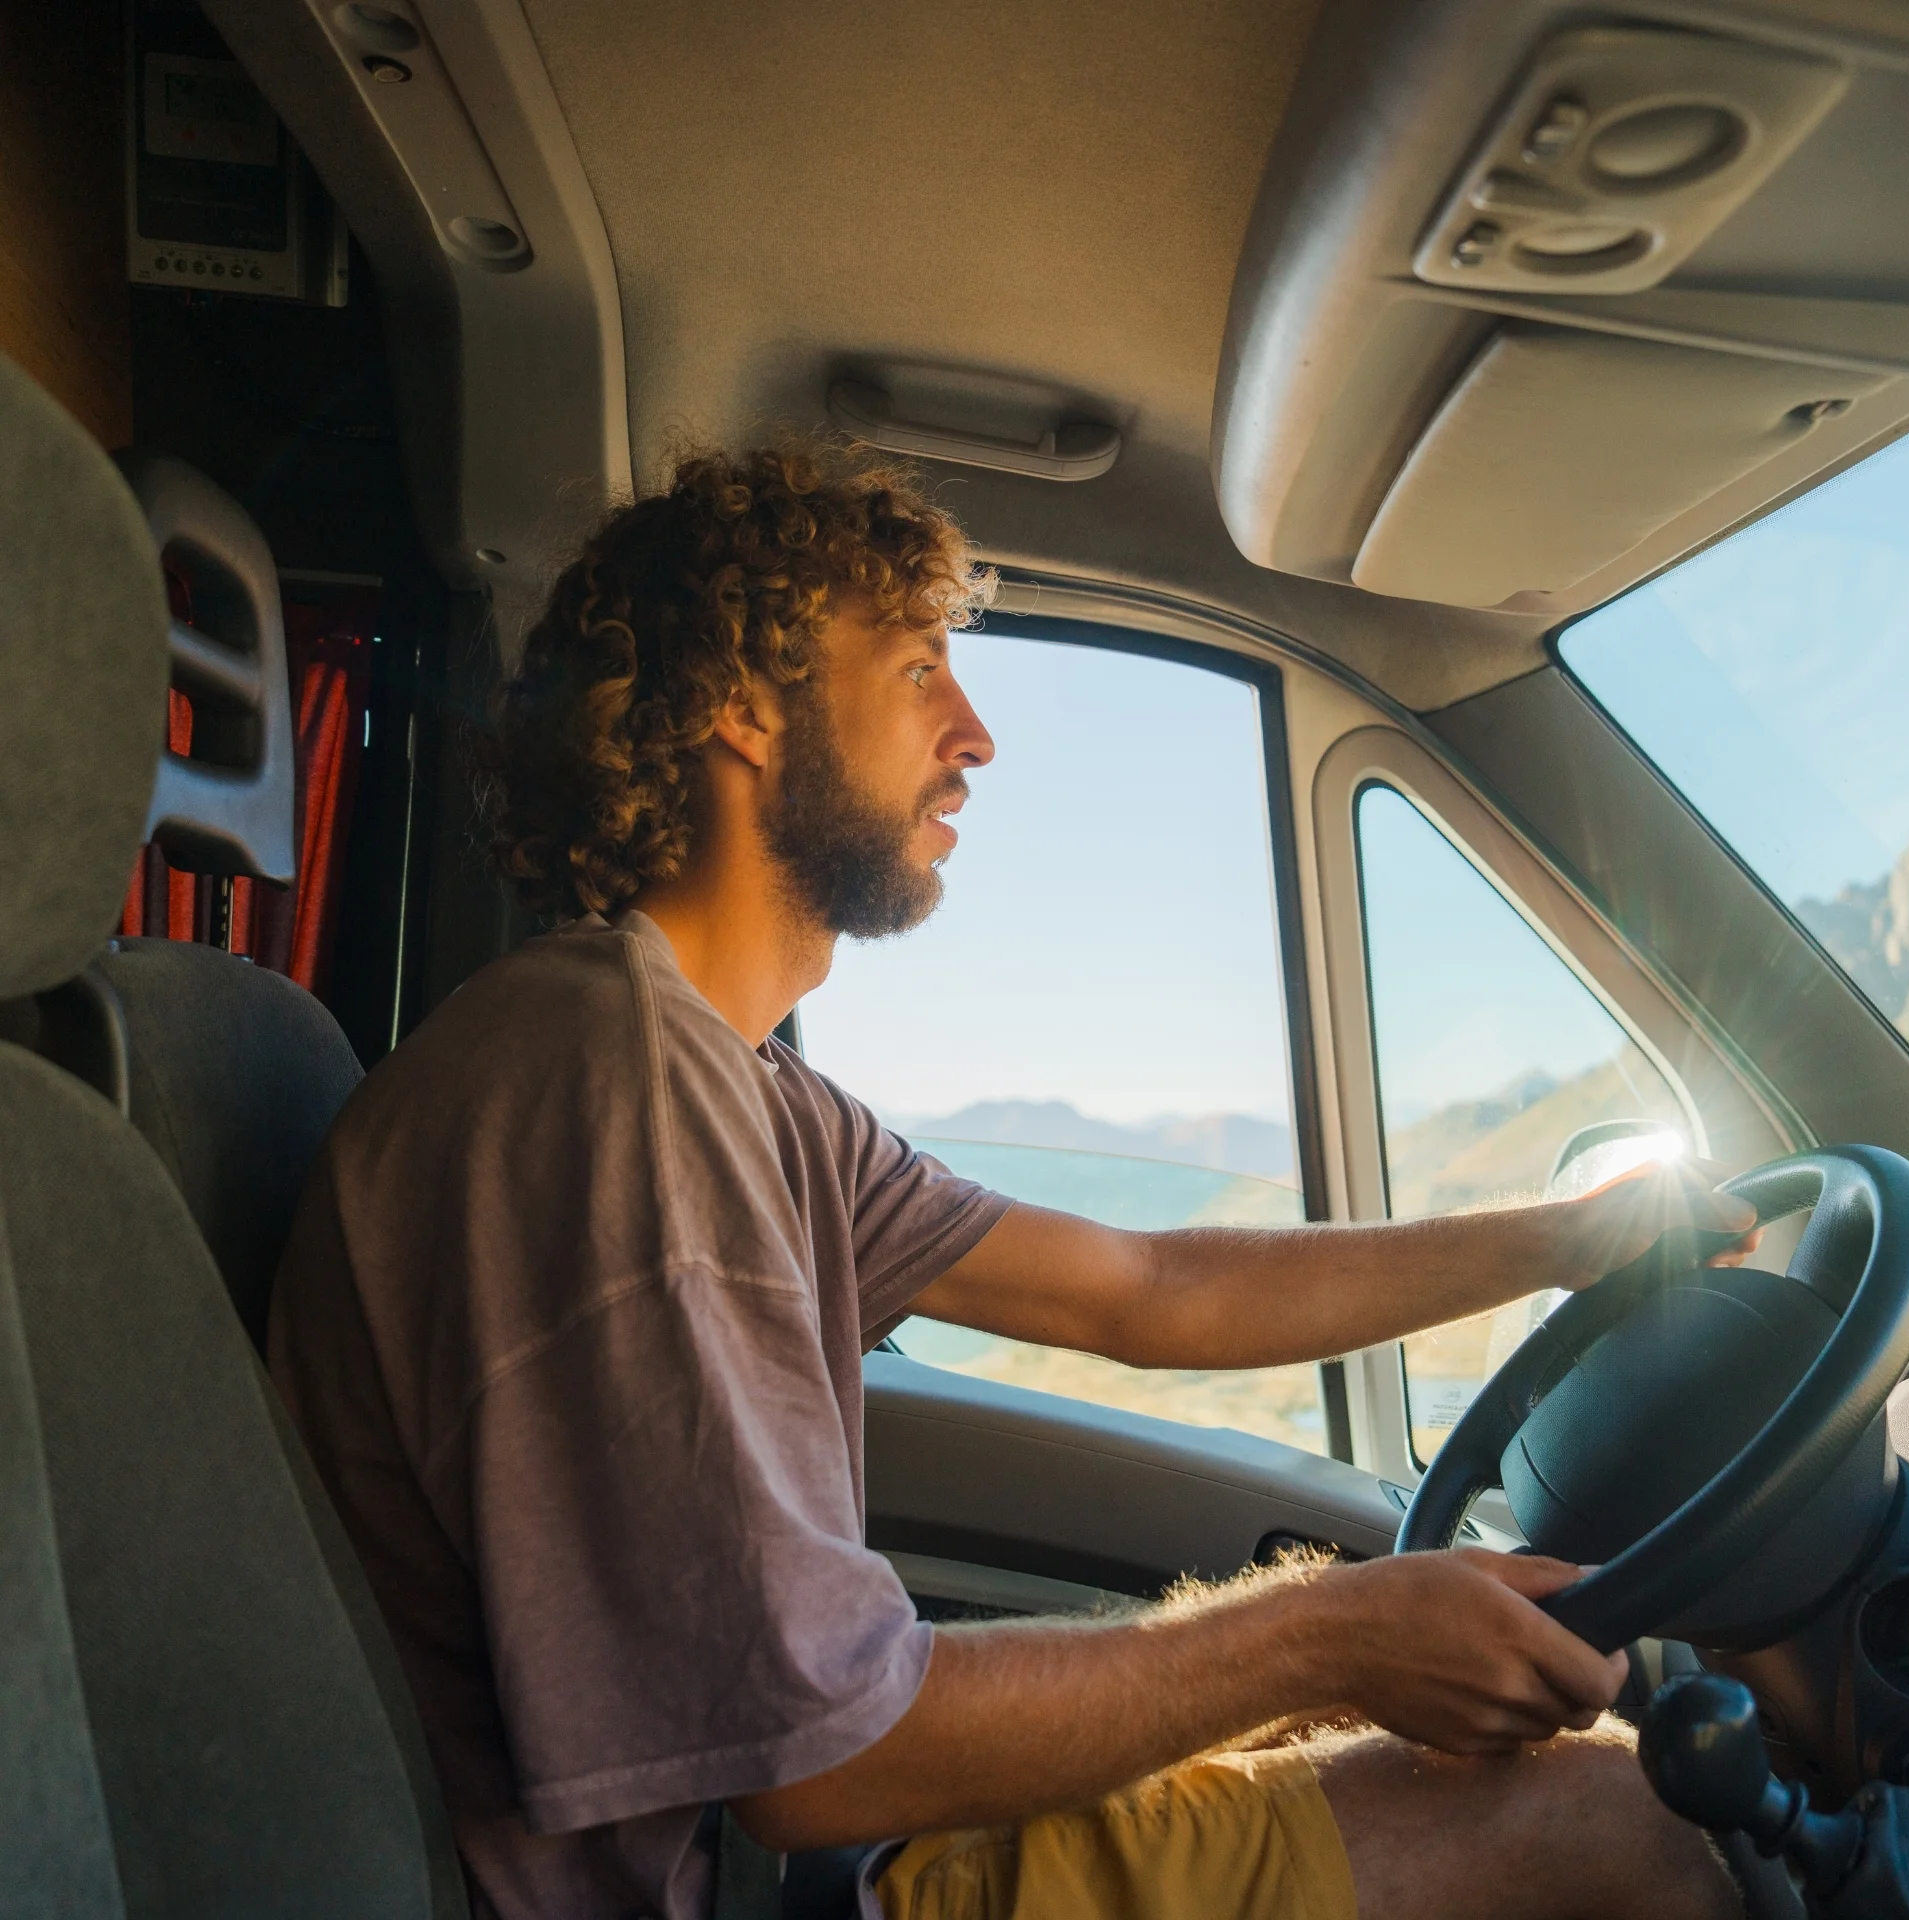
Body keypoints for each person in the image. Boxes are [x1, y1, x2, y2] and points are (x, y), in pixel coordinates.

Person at [267, 445, 1763, 1920]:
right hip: (758, 1885)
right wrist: (1327, 1635)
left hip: (784, 1858)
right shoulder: (620, 1082)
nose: (975, 735)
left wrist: (1566, 1240)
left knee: (1444, 1725)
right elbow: (821, 1761)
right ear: (740, 704)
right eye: (917, 669)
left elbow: (1147, 1288)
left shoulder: (742, 1088)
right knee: (1616, 1819)